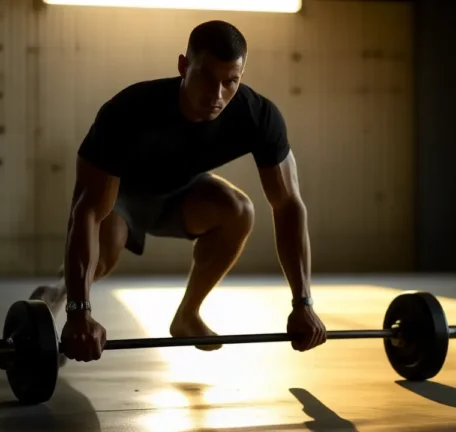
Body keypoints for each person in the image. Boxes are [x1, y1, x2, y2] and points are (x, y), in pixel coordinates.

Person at [31, 20, 327, 363]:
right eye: (206, 77)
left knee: (239, 211)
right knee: (104, 256)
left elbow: (288, 205)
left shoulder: (258, 116)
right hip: (120, 196)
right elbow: (86, 212)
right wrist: (79, 312)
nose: (217, 95)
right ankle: (59, 294)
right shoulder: (128, 111)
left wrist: (303, 303)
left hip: (180, 194)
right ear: (184, 66)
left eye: (230, 81)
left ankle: (188, 315)